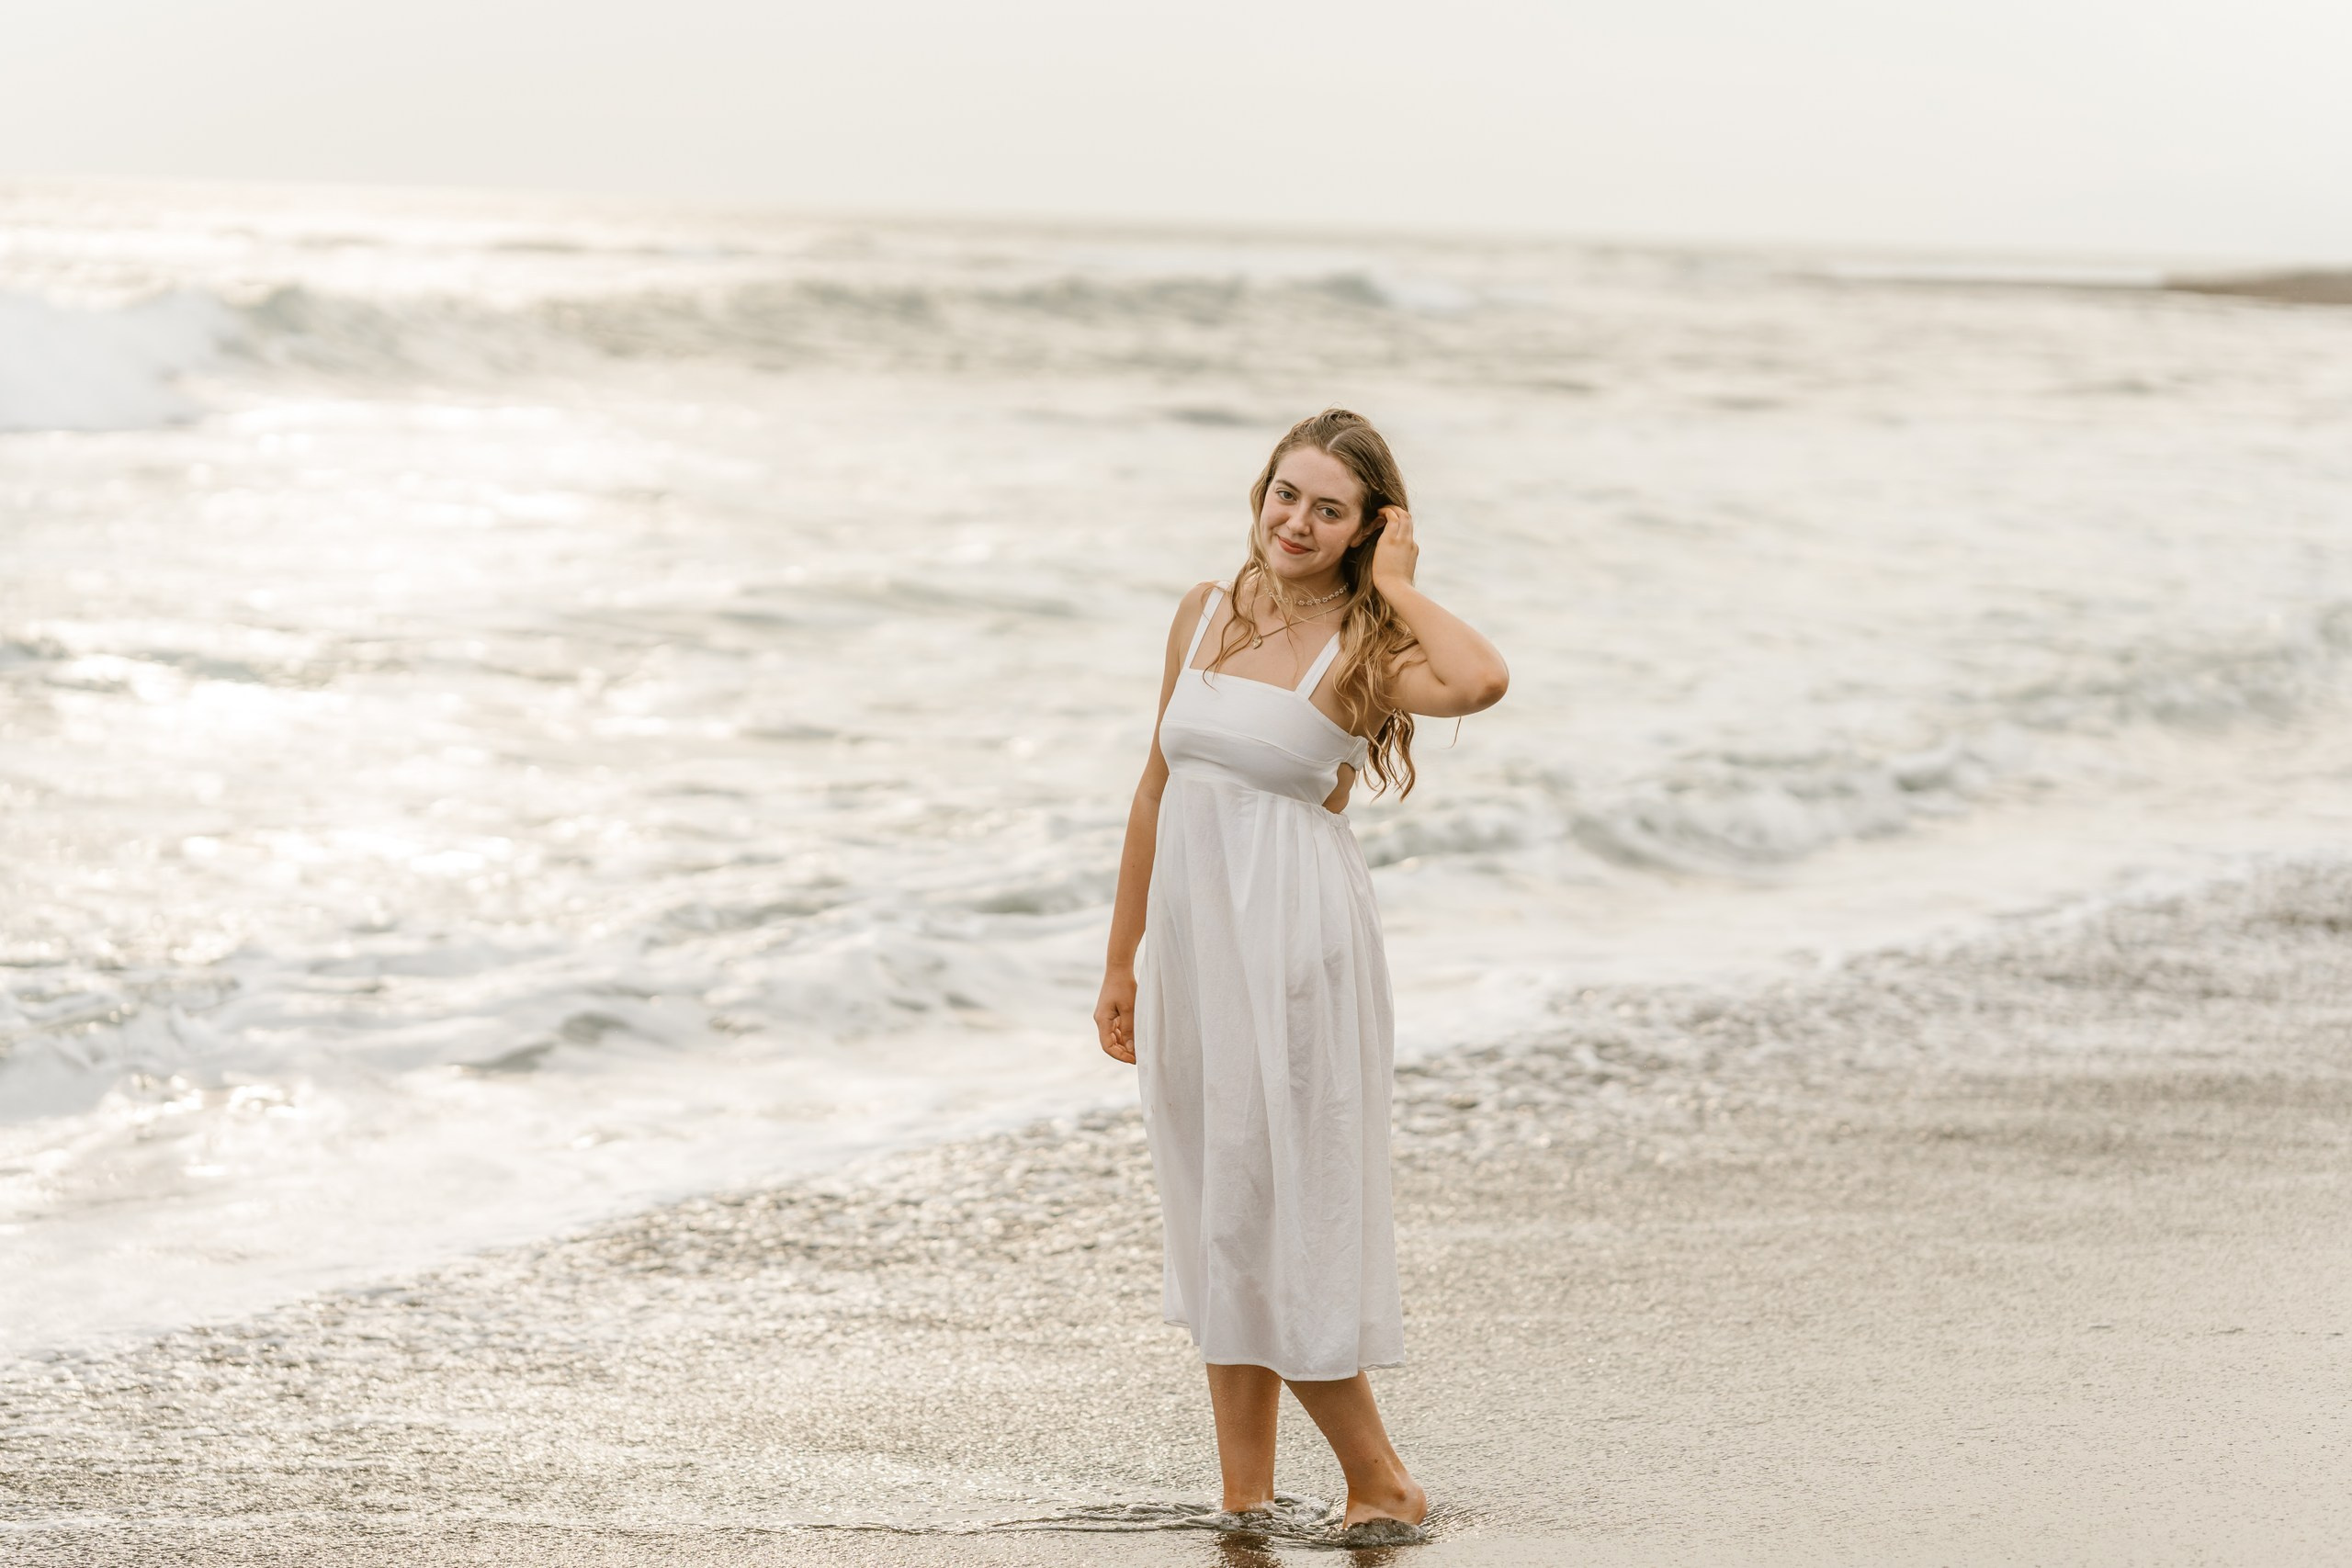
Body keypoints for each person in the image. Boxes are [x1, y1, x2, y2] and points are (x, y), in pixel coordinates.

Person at [1092, 408, 1510, 1530]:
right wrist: (1120, 960)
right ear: (1259, 491)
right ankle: (1244, 1495)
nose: (1297, 522)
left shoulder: (1369, 650)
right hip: (1195, 943)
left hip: (1296, 949)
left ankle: (1380, 1477)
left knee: (1283, 1207)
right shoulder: (1199, 614)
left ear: (1366, 527)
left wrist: (1402, 583)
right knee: (1220, 1202)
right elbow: (1153, 789)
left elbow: (1479, 682)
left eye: (1330, 509)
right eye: (1286, 494)